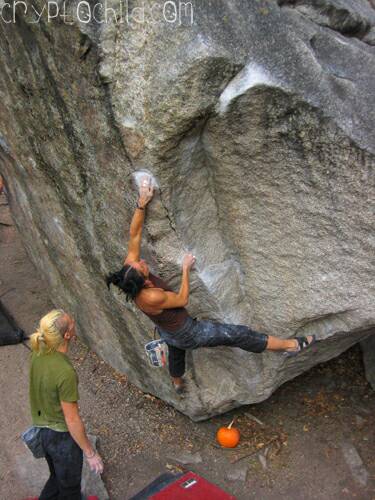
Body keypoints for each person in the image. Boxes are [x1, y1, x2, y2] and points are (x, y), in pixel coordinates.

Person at [106, 178, 316, 394]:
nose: (141, 262)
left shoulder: (129, 272)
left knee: (175, 349)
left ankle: (177, 382)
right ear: (145, 282)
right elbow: (182, 299)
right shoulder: (151, 297)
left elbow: (135, 234)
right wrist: (186, 269)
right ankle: (290, 346)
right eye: (142, 267)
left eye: (138, 263)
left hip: (167, 330)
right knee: (237, 334)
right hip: (188, 332)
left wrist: (142, 202)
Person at [29, 310, 104, 500]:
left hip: (42, 430)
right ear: (67, 335)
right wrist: (90, 452)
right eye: (71, 323)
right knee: (70, 489)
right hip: (60, 438)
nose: (74, 323)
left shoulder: (39, 351)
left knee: (56, 477)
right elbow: (71, 419)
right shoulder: (65, 372)